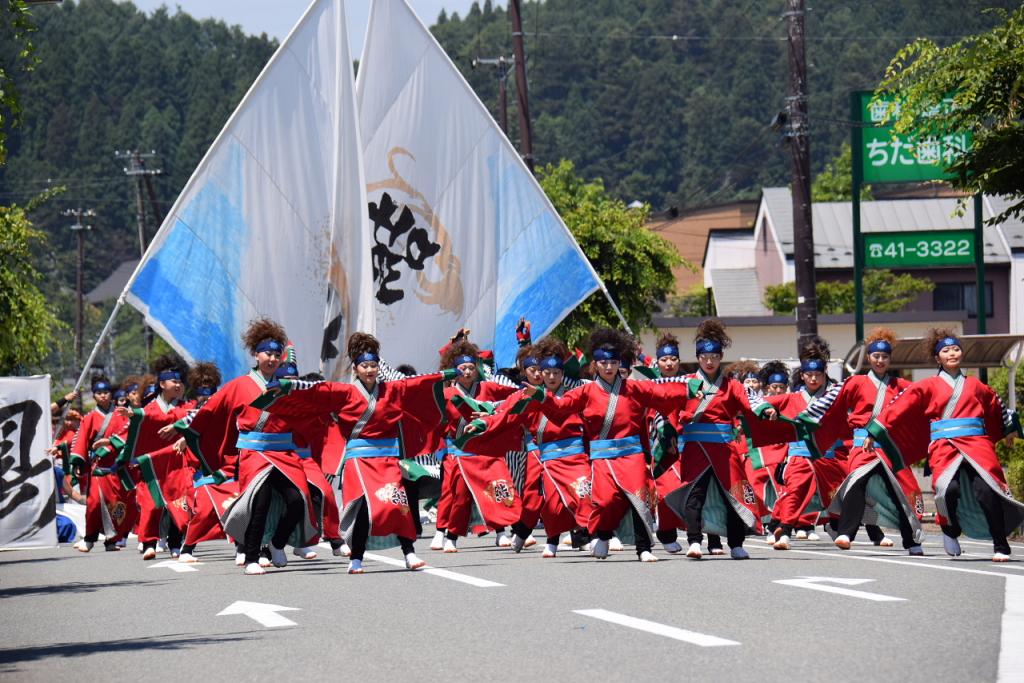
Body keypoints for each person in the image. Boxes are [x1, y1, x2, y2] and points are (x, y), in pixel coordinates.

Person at [254, 332, 455, 574]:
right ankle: (357, 558)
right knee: (365, 510)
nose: (370, 370)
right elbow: (316, 390)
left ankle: (409, 553)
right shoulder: (345, 392)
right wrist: (289, 385)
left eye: (373, 365)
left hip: (387, 459)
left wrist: (444, 375)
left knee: (398, 506)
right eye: (364, 365)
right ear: (355, 368)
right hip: (359, 461)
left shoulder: (392, 389)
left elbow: (417, 382)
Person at [517, 328, 703, 562]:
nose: (608, 367)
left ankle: (643, 548)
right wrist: (541, 397)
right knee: (605, 502)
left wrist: (687, 389)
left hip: (631, 454)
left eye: (613, 362)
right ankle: (602, 534)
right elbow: (562, 407)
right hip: (602, 457)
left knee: (638, 498)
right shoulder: (585, 391)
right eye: (603, 363)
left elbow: (660, 392)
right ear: (595, 364)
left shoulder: (633, 388)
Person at [176, 318, 320, 575]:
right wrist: (182, 429)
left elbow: (314, 401)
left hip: (284, 453)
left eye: (277, 354)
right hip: (254, 453)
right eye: (268, 353)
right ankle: (252, 556)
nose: (273, 359)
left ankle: (277, 543)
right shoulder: (238, 385)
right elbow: (209, 410)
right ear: (255, 354)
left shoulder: (286, 386)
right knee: (259, 502)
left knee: (298, 500)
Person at [864, 328, 1022, 561]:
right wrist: (874, 431)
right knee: (949, 490)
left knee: (987, 492)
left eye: (956, 349)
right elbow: (897, 407)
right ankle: (950, 529)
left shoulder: (976, 386)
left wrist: (1010, 428)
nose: (952, 353)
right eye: (946, 350)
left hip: (977, 446)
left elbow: (996, 405)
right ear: (938, 358)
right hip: (944, 446)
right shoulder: (926, 385)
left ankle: (1001, 544)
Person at [460, 336, 593, 558]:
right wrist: (486, 418)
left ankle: (591, 535)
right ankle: (526, 534)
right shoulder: (528, 394)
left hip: (574, 454)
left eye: (555, 371)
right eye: (545, 371)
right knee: (539, 499)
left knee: (581, 493)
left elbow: (597, 393)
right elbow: (507, 409)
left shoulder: (576, 389)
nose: (550, 376)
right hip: (541, 452)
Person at [662, 320, 786, 560]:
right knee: (694, 494)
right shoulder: (685, 382)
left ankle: (736, 544)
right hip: (695, 448)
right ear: (698, 357)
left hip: (723, 448)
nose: (710, 361)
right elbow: (658, 394)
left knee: (733, 495)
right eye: (705, 356)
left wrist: (765, 410)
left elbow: (751, 400)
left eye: (715, 356)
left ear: (721, 358)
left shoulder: (732, 385)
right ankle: (695, 541)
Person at [799, 328, 924, 555]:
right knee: (855, 485)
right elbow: (832, 401)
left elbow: (922, 400)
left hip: (888, 448)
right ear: (868, 357)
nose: (880, 360)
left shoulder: (901, 386)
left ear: (889, 359)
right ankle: (846, 533)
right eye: (876, 356)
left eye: (884, 357)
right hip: (861, 446)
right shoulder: (855, 382)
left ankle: (911, 541)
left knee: (898, 493)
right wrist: (806, 416)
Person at [70, 377, 137, 552]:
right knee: (93, 504)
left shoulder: (120, 414)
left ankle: (111, 540)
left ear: (111, 394)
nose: (103, 396)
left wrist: (111, 443)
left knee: (116, 503)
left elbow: (129, 435)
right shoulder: (90, 417)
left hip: (116, 467)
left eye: (105, 392)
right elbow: (81, 440)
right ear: (94, 396)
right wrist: (78, 462)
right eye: (99, 393)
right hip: (98, 466)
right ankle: (89, 538)